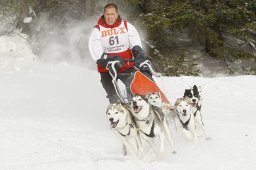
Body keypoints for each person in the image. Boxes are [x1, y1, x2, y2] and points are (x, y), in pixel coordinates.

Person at [88, 3, 153, 103]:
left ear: (117, 14)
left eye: (112, 14)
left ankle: (136, 106)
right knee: (114, 97)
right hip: (107, 70)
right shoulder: (97, 30)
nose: (109, 17)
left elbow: (135, 44)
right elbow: (96, 51)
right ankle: (117, 109)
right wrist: (109, 60)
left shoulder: (127, 26)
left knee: (135, 87)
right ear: (104, 15)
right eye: (107, 14)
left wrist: (140, 56)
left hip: (126, 66)